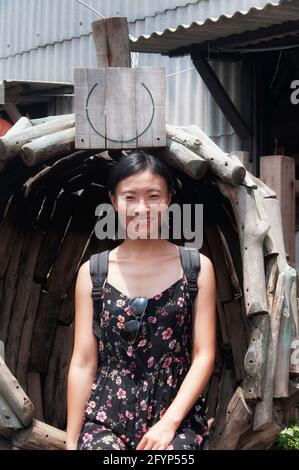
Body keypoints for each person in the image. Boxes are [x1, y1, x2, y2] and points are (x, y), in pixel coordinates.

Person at [66, 149, 216, 450]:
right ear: (113, 200)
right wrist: (72, 441)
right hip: (105, 417)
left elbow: (203, 356)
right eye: (129, 197)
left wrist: (170, 423)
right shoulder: (93, 273)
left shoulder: (196, 268)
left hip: (177, 417)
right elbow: (83, 363)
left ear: (169, 198)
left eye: (153, 196)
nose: (142, 208)